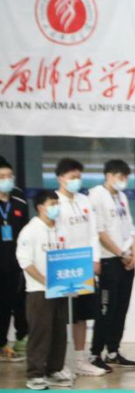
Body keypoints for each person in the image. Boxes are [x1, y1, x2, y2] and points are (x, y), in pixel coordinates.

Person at [53, 158, 105, 377]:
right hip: (64, 265)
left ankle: (80, 359)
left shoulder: (85, 200)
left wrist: (96, 259)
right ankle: (61, 362)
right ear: (60, 178)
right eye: (72, 177)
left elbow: (93, 233)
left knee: (82, 315)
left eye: (78, 177)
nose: (76, 180)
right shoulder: (54, 202)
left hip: (85, 264)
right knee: (64, 315)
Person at [16, 190, 70, 390]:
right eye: (52, 204)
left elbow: (68, 256)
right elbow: (25, 262)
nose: (57, 207)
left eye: (58, 203)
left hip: (60, 289)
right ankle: (35, 374)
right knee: (40, 332)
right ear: (40, 207)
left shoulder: (62, 228)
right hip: (39, 290)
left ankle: (54, 369)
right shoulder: (30, 230)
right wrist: (45, 281)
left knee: (59, 331)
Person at [89, 159, 135, 371]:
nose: (123, 181)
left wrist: (134, 252)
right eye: (120, 177)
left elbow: (130, 226)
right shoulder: (96, 195)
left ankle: (113, 351)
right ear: (108, 176)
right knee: (106, 309)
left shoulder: (122, 196)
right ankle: (95, 353)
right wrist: (120, 253)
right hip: (109, 260)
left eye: (126, 177)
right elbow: (99, 232)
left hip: (126, 260)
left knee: (121, 309)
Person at [0, 159, 29, 363]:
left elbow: (25, 234)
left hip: (15, 265)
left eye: (9, 176)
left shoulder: (19, 202)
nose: (7, 180)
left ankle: (11, 342)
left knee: (13, 305)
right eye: (2, 177)